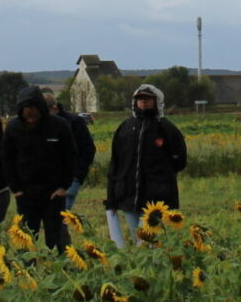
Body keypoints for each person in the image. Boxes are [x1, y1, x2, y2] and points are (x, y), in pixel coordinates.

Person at [3, 85, 75, 250]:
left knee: (56, 241)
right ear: (21, 113)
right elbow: (7, 159)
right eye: (27, 116)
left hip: (54, 194)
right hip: (25, 194)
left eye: (34, 116)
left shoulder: (60, 126)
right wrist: (16, 189)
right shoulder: (13, 128)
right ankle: (28, 273)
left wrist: (64, 186)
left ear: (42, 110)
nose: (31, 120)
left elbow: (70, 157)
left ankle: (58, 271)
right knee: (26, 240)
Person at [105, 84, 189, 227]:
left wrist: (162, 177)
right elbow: (116, 163)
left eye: (147, 98)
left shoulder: (166, 128)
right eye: (140, 98)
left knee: (148, 240)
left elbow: (179, 160)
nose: (143, 101)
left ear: (157, 101)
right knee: (137, 238)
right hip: (128, 195)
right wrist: (112, 197)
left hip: (157, 198)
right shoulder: (125, 127)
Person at [44, 88, 96, 211]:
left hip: (71, 179)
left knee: (61, 217)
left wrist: (77, 176)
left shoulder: (74, 122)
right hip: (49, 180)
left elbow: (88, 149)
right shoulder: (42, 125)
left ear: (54, 108)